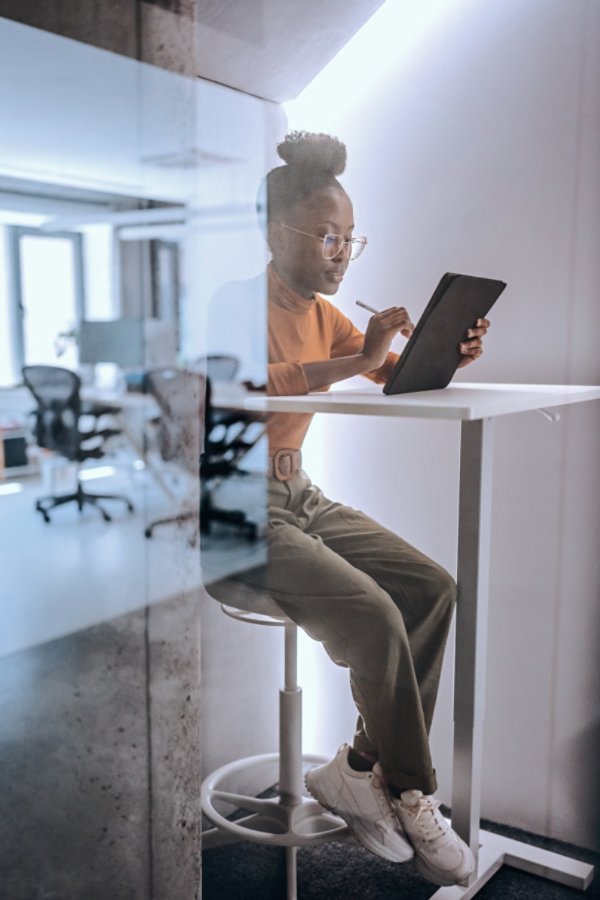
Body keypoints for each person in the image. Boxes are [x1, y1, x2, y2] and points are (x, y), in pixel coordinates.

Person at [218, 130, 490, 887]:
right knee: (373, 615)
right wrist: (356, 359)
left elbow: (395, 377)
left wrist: (447, 351)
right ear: (277, 233)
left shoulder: (327, 314)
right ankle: (411, 792)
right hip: (226, 508)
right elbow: (235, 386)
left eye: (350, 239)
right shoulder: (230, 303)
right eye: (328, 236)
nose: (342, 253)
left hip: (296, 491)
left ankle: (360, 766)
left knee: (432, 588)